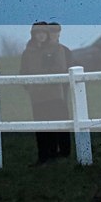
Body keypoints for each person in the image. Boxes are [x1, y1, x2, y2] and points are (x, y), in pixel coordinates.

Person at [20, 22, 69, 166]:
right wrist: (28, 86)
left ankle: (56, 156)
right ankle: (43, 157)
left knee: (55, 125)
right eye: (37, 33)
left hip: (54, 95)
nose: (40, 35)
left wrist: (43, 76)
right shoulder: (27, 52)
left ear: (47, 34)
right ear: (33, 35)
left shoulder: (56, 48)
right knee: (41, 128)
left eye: (43, 32)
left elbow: (61, 68)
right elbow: (23, 71)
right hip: (37, 97)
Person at [47, 22, 72, 160]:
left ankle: (64, 151)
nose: (54, 35)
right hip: (47, 93)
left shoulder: (65, 51)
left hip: (61, 91)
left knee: (62, 119)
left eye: (56, 32)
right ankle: (53, 150)